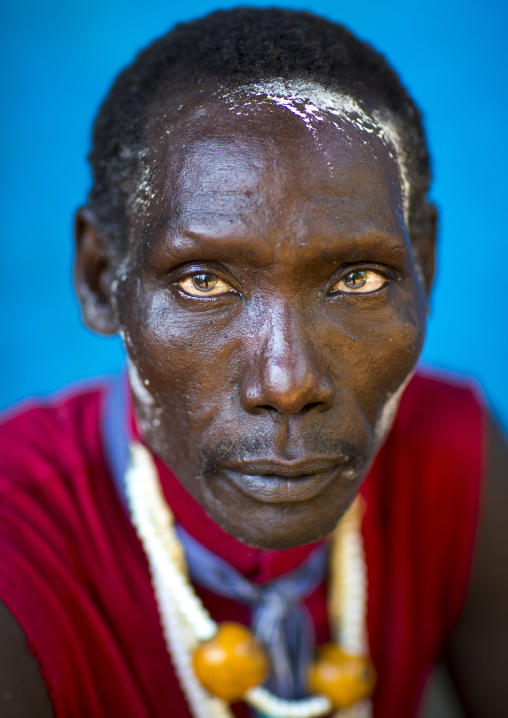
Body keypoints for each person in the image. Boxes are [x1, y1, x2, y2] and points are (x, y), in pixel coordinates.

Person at [0, 7, 507, 718]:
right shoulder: (15, 543)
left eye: (357, 279)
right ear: (99, 277)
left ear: (423, 266)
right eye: (203, 281)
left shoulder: (455, 458)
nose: (288, 381)